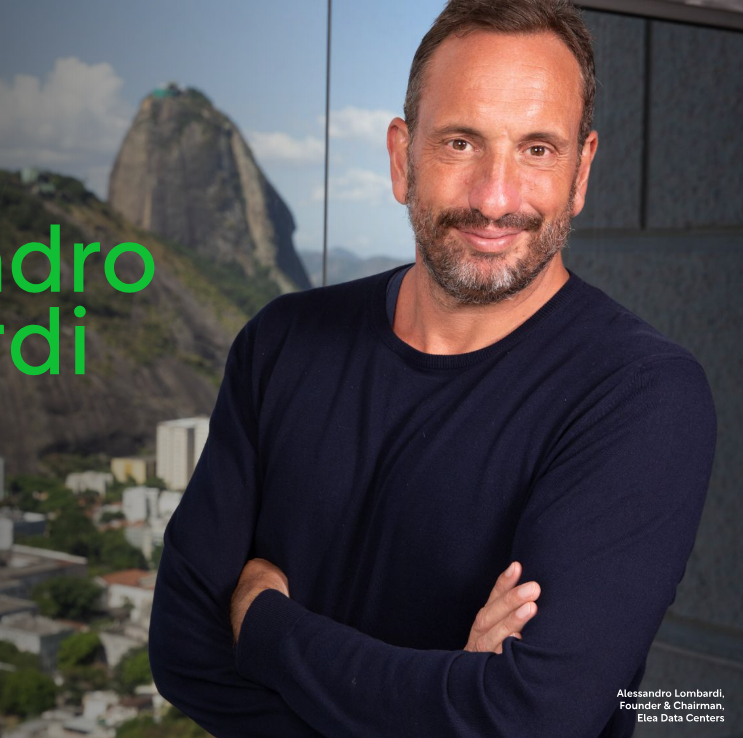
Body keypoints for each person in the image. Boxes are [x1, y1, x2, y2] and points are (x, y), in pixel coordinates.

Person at [146, 0, 718, 736]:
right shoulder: (283, 343)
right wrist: (449, 692)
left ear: (581, 171)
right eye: (459, 142)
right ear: (400, 156)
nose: (495, 197)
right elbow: (185, 654)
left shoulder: (639, 398)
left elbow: (531, 718)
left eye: (537, 149)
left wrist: (262, 625)